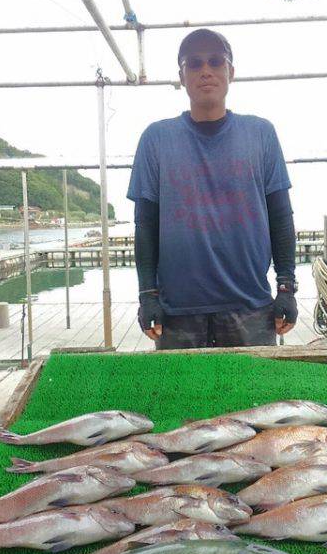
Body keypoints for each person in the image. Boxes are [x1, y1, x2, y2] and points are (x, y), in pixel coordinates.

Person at [127, 28, 298, 350]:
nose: (205, 70)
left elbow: (281, 216)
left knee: (257, 398)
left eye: (216, 61)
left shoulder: (261, 134)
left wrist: (286, 287)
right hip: (177, 313)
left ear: (230, 72)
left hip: (252, 309)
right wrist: (147, 294)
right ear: (181, 75)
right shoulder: (156, 138)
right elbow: (145, 225)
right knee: (180, 400)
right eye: (194, 63)